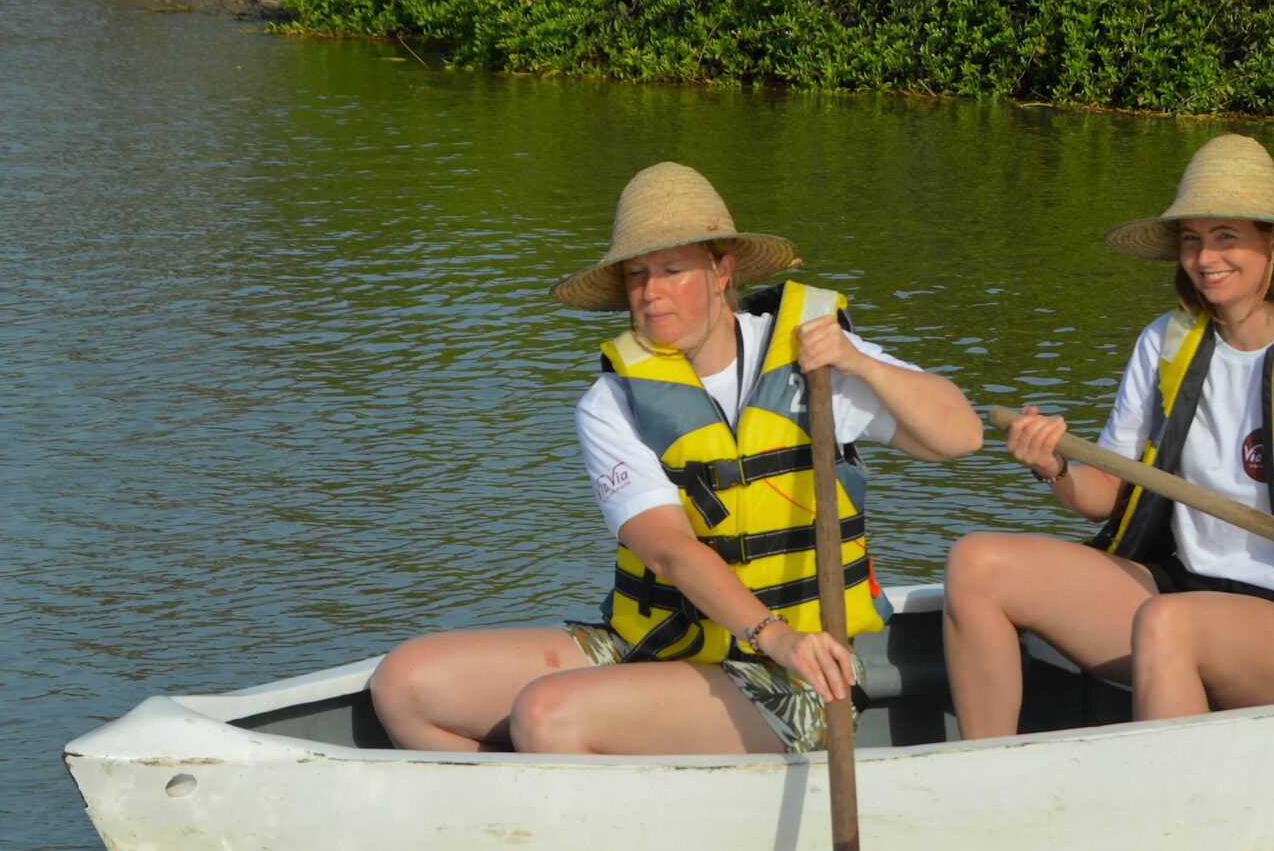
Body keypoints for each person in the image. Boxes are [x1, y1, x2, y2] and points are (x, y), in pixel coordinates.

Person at [369, 162, 983, 755]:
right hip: (665, 645)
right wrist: (772, 631)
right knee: (406, 686)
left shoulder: (814, 360)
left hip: (795, 676)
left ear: (721, 272)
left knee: (547, 715)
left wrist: (860, 363)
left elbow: (960, 436)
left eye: (671, 270)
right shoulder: (611, 401)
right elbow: (668, 549)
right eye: (637, 275)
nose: (651, 293)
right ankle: (541, 822)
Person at [942, 134, 1274, 733]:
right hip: (1178, 585)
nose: (1205, 259)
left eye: (1227, 237)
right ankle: (986, 779)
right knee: (975, 563)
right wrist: (1054, 466)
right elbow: (1106, 498)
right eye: (1193, 239)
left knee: (1169, 623)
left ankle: (1172, 814)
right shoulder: (1164, 343)